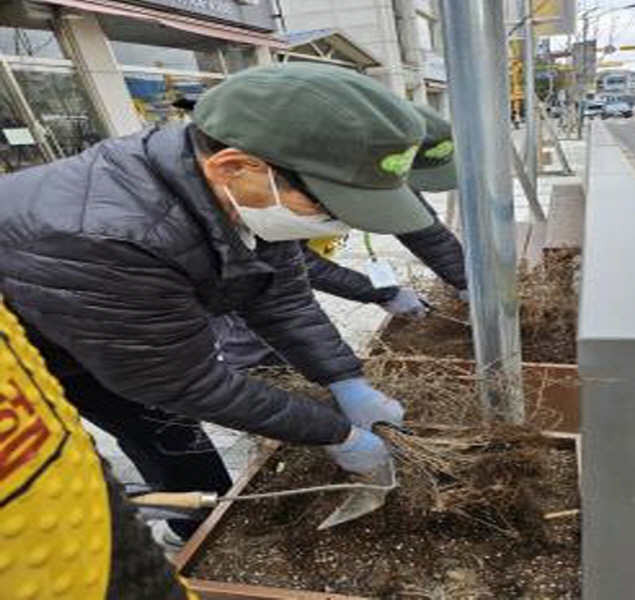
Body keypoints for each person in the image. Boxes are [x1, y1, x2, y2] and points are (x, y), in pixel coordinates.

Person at [0, 63, 435, 543]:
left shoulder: (241, 196)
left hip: (98, 329)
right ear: (233, 166)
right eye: (328, 205)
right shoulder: (109, 236)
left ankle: (189, 524)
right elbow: (186, 381)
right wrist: (336, 434)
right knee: (57, 474)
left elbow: (283, 299)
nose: (339, 223)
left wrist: (345, 379)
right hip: (20, 360)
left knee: (169, 435)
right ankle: (162, 534)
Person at [212, 104, 469, 370]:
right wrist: (381, 292)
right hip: (236, 293)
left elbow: (423, 231)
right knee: (253, 342)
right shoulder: (268, 202)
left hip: (286, 277)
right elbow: (293, 271)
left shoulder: (382, 175)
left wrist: (465, 280)